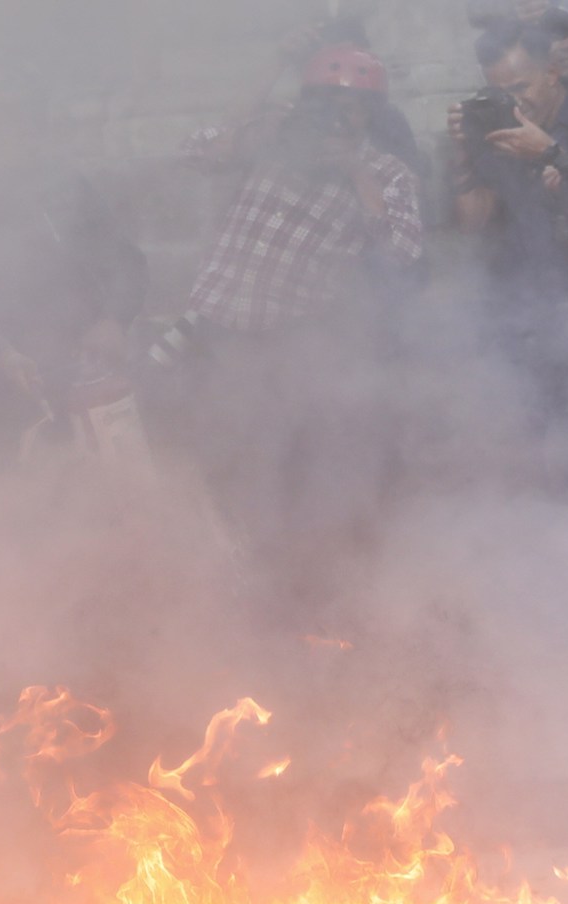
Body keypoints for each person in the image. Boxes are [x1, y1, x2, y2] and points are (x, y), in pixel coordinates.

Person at [177, 42, 424, 616]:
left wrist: (355, 171)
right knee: (213, 463)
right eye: (327, 103)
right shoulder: (272, 137)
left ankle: (294, 595)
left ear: (372, 113)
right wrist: (246, 136)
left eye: (354, 107)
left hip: (290, 345)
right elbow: (193, 152)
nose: (339, 117)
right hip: (215, 334)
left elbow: (404, 252)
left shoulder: (385, 172)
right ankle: (224, 590)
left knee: (287, 470)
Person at [0, 65, 147, 475]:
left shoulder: (65, 185)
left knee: (98, 485)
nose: (6, 132)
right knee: (13, 493)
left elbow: (125, 259)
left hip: (79, 368)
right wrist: (0, 353)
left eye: (15, 118)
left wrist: (115, 318)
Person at [450, 22, 568, 491]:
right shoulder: (496, 126)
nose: (514, 100)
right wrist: (465, 154)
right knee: (525, 465)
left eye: (519, 86)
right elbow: (473, 221)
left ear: (552, 73)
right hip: (518, 319)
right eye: (497, 90)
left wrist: (548, 154)